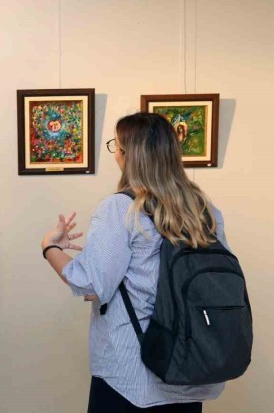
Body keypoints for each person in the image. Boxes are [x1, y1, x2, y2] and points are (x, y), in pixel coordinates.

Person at [40, 112, 229, 413]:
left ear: (129, 155)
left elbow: (91, 285)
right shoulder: (204, 210)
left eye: (117, 145)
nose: (115, 153)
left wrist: (50, 247)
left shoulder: (121, 209)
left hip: (131, 372)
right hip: (188, 366)